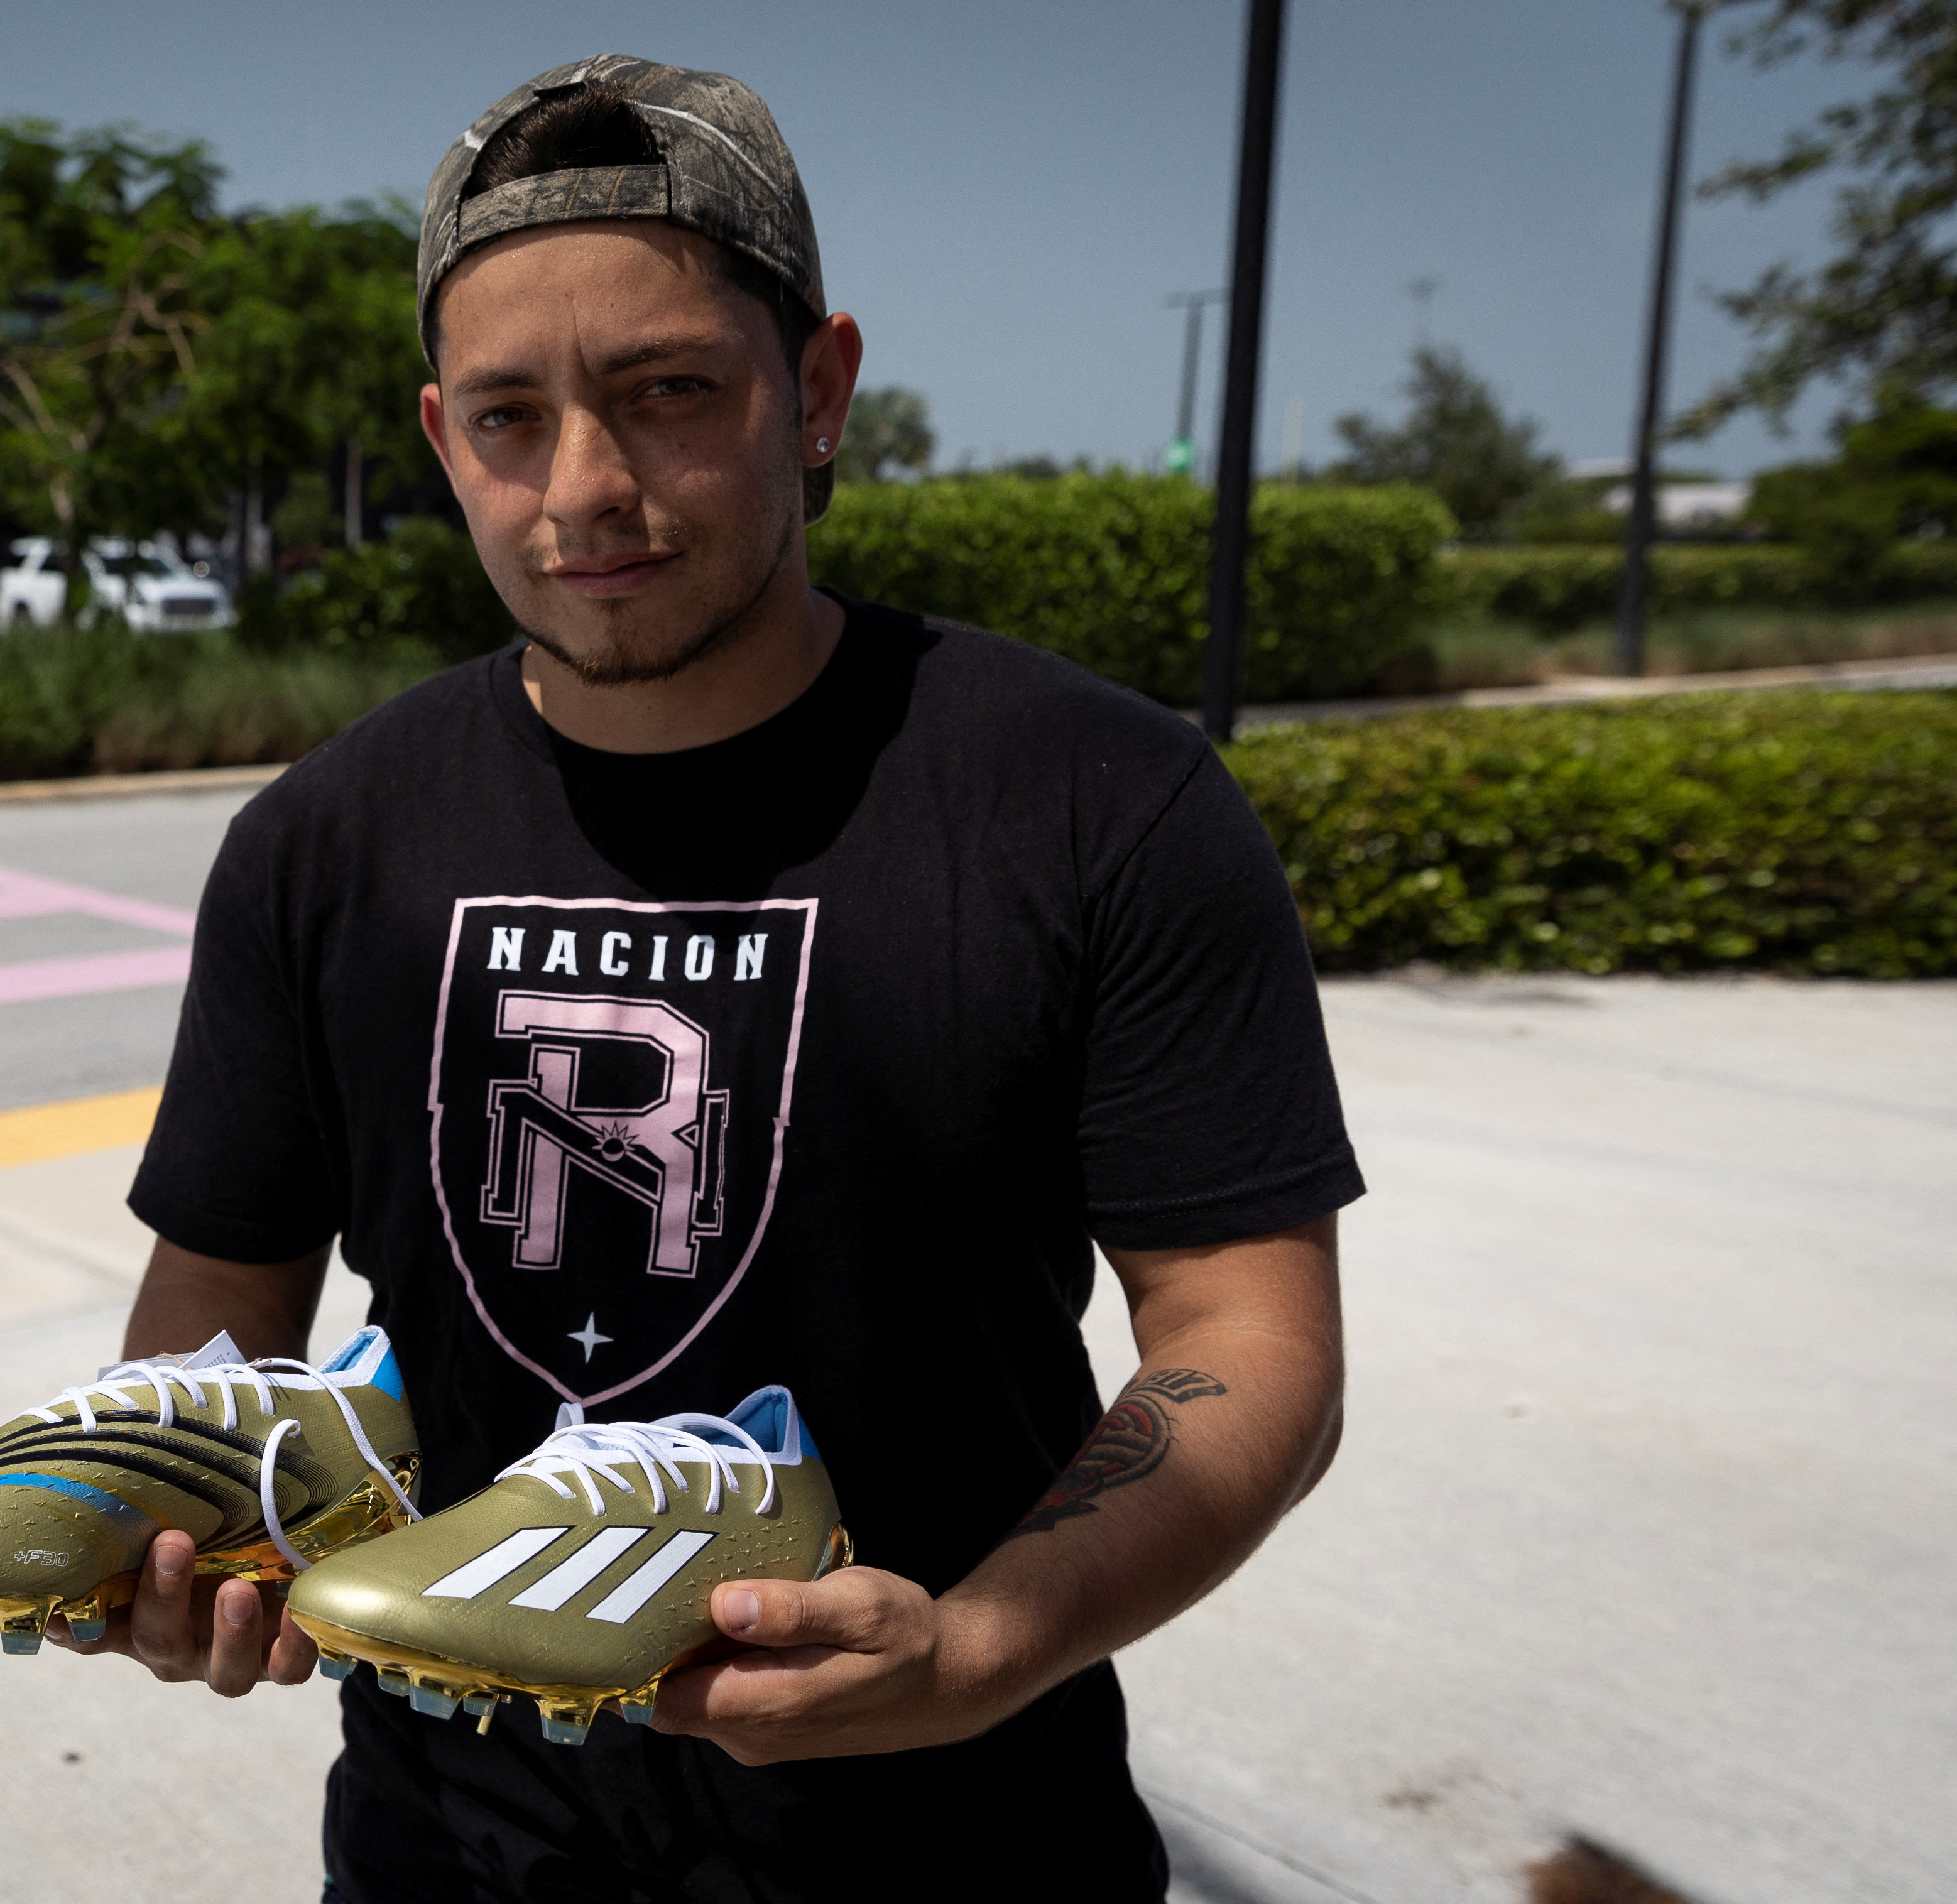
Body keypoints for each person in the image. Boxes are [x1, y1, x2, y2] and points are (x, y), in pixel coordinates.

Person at [78, 53, 1360, 1903]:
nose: (583, 488)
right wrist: (181, 1542)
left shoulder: (1097, 798)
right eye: (510, 418)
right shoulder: (323, 838)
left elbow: (1247, 1340)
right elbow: (214, 1317)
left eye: (666, 392)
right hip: (449, 1846)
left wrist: (985, 1645)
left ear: (816, 391)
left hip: (965, 1846)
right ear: (443, 439)